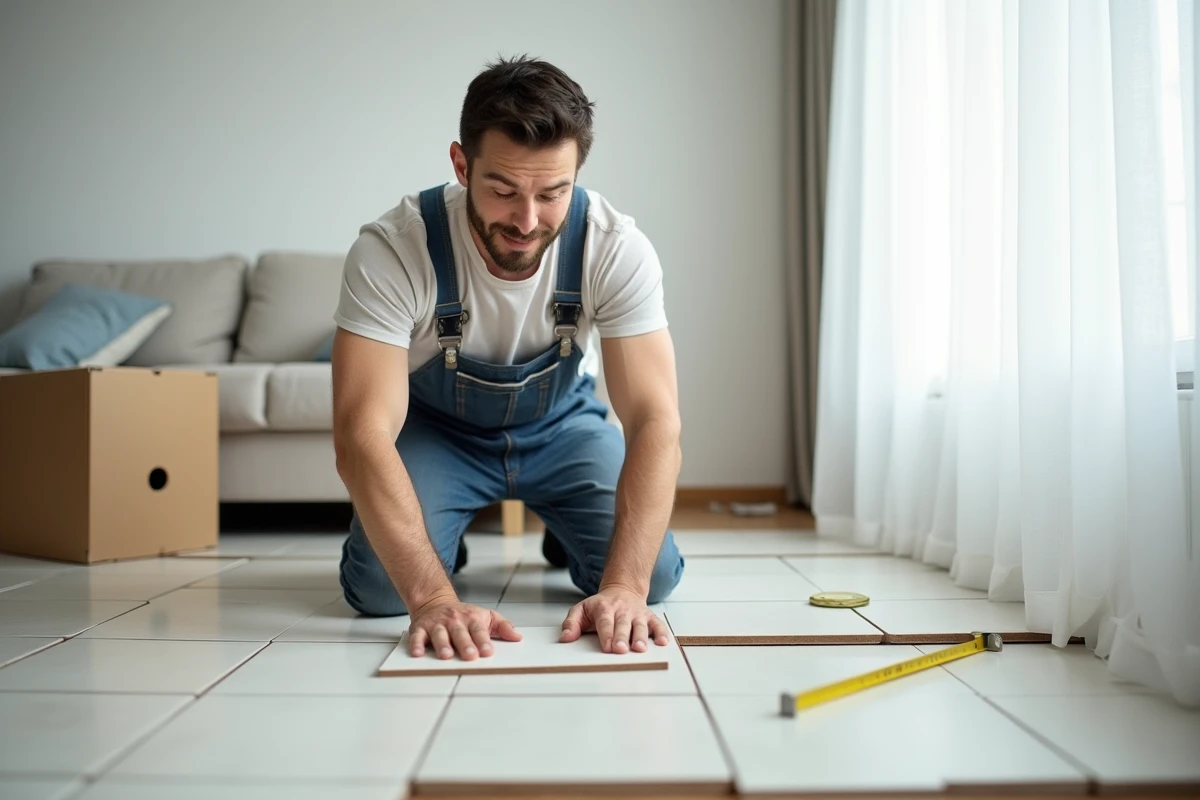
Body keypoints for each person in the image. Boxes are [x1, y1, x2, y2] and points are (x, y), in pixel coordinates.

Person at [329, 54, 686, 663]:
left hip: (562, 428)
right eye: (503, 190)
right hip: (438, 435)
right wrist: (433, 598)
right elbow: (360, 434)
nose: (527, 221)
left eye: (553, 194)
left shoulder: (615, 246)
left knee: (654, 579)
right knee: (380, 590)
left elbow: (656, 419)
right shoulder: (392, 250)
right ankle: (446, 535)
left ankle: (566, 533)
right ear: (462, 165)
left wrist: (623, 587)